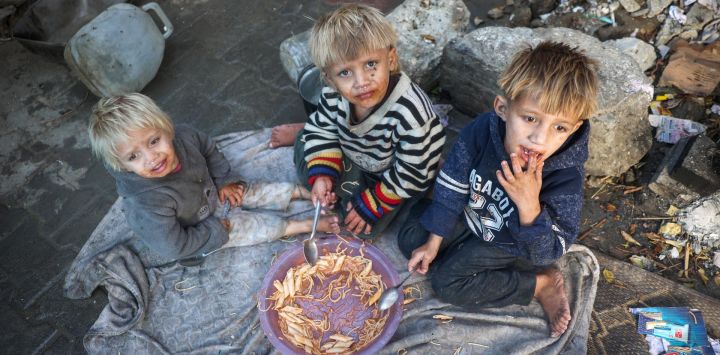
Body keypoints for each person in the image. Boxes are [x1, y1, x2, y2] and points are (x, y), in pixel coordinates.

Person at [398, 41, 599, 337]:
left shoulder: (564, 177)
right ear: (503, 109)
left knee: (447, 283)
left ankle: (538, 284)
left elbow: (549, 250)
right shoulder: (482, 131)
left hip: (507, 244)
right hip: (470, 216)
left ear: (575, 128)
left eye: (560, 128)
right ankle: (447, 247)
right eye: (530, 118)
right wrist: (434, 239)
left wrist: (529, 206)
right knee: (412, 238)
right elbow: (453, 181)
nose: (539, 138)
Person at [88, 93, 339, 262]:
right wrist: (215, 230)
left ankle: (307, 193)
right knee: (248, 229)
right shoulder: (146, 203)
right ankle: (304, 227)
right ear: (121, 165)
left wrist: (225, 180)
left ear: (166, 127)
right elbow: (174, 246)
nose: (152, 158)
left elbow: (208, 149)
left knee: (252, 190)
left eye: (154, 141)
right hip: (200, 224)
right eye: (134, 157)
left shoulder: (184, 136)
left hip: (215, 191)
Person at [278, 4, 445, 239]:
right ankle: (304, 135)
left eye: (370, 64)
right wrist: (324, 176)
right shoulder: (332, 94)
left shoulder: (412, 115)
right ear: (329, 79)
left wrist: (375, 201)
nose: (361, 82)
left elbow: (412, 172)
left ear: (391, 59)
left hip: (388, 173)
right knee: (312, 164)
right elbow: (324, 131)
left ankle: (428, 169)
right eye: (345, 73)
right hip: (353, 155)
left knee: (362, 229)